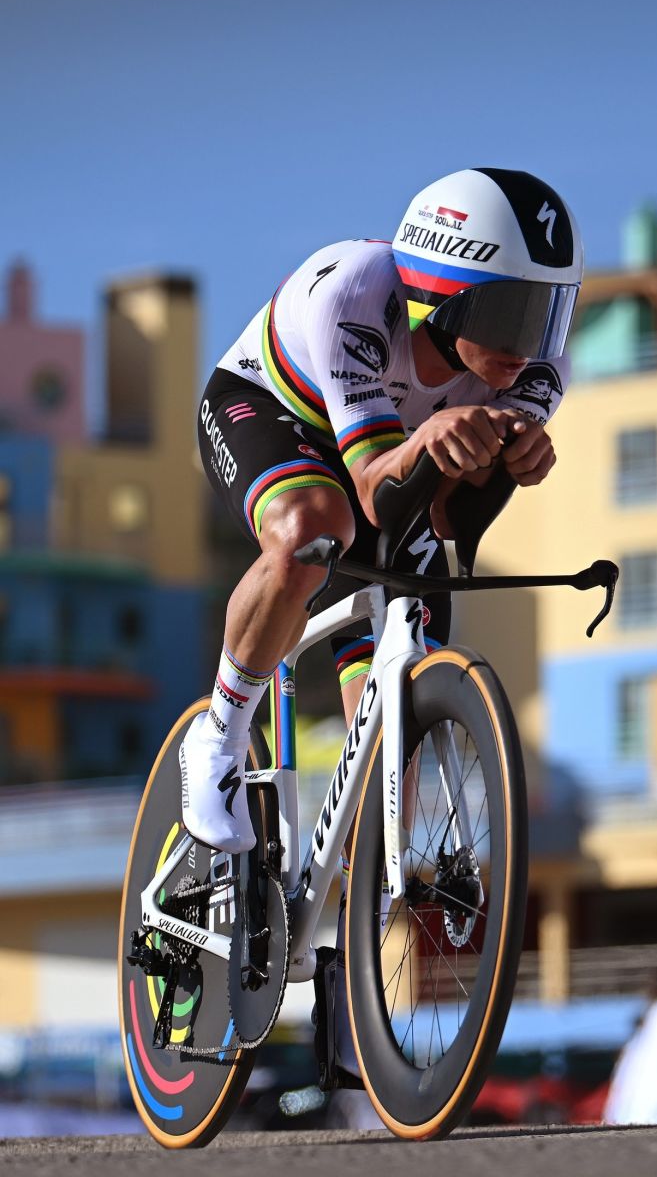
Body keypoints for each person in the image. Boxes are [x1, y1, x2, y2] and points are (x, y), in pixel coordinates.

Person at [183, 166, 583, 855]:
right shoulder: (357, 293)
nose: (526, 347)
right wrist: (430, 438)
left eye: (545, 315)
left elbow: (448, 521)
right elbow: (369, 488)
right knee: (312, 530)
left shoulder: (541, 371)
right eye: (509, 315)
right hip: (274, 412)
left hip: (392, 458)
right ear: (440, 293)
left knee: (394, 706)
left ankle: (358, 896)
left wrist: (508, 464)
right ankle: (218, 736)